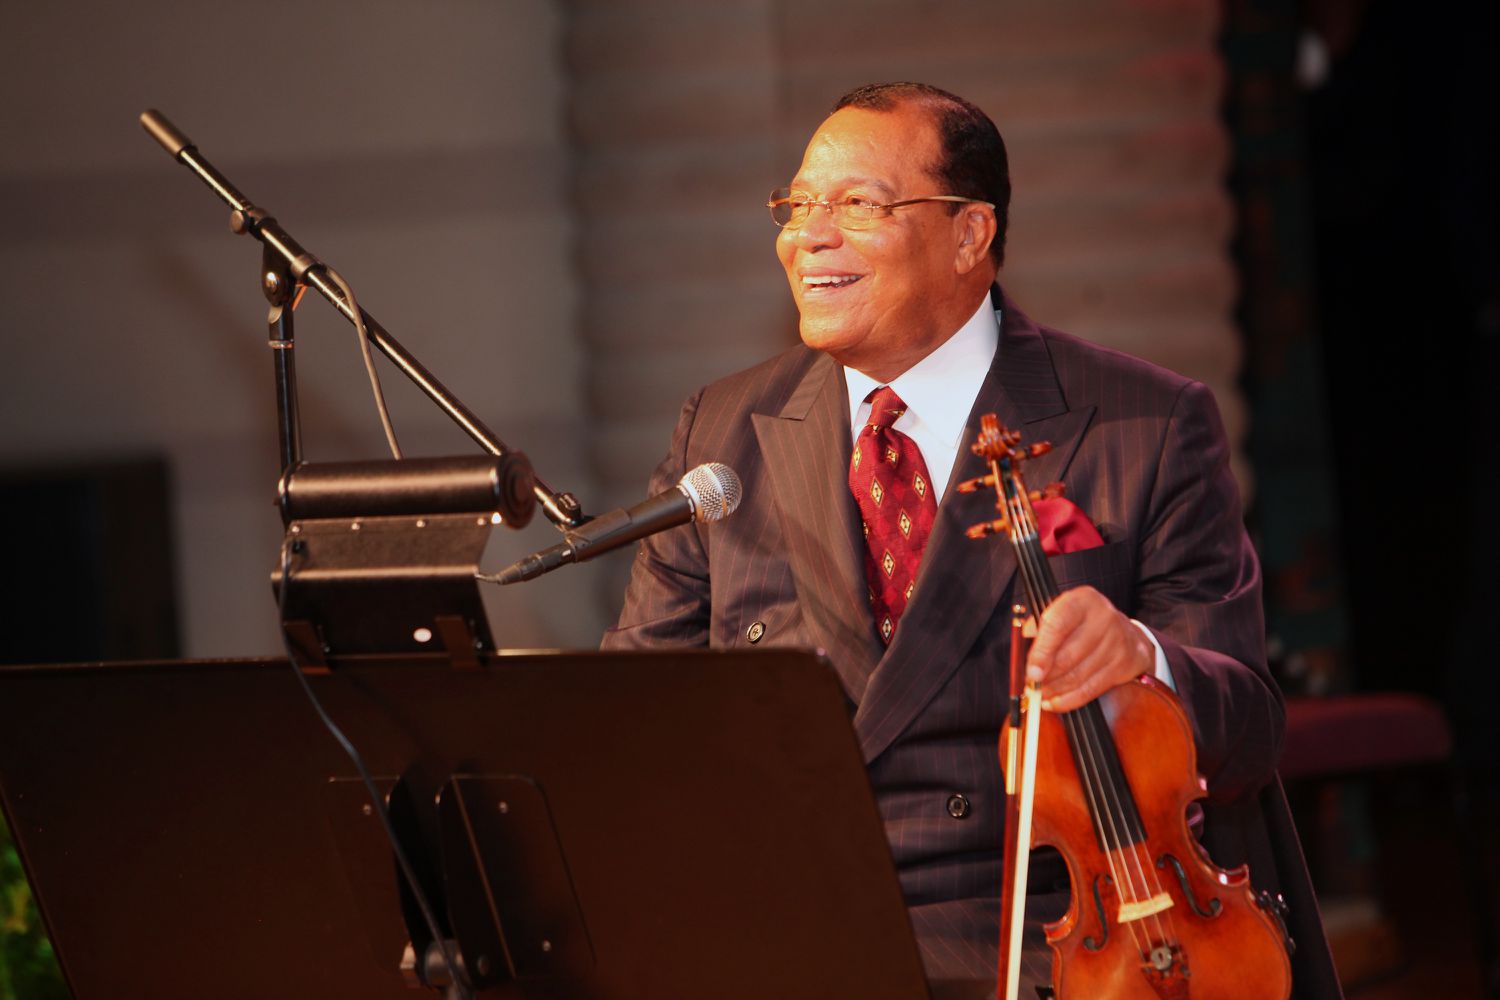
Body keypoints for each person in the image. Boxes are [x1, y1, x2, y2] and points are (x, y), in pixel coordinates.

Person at [603, 82, 1340, 998]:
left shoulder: (1144, 424)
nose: (809, 235)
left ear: (970, 236)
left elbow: (1250, 728)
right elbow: (635, 724)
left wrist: (1142, 658)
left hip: (1047, 943)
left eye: (859, 205)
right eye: (798, 205)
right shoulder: (720, 431)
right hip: (794, 933)